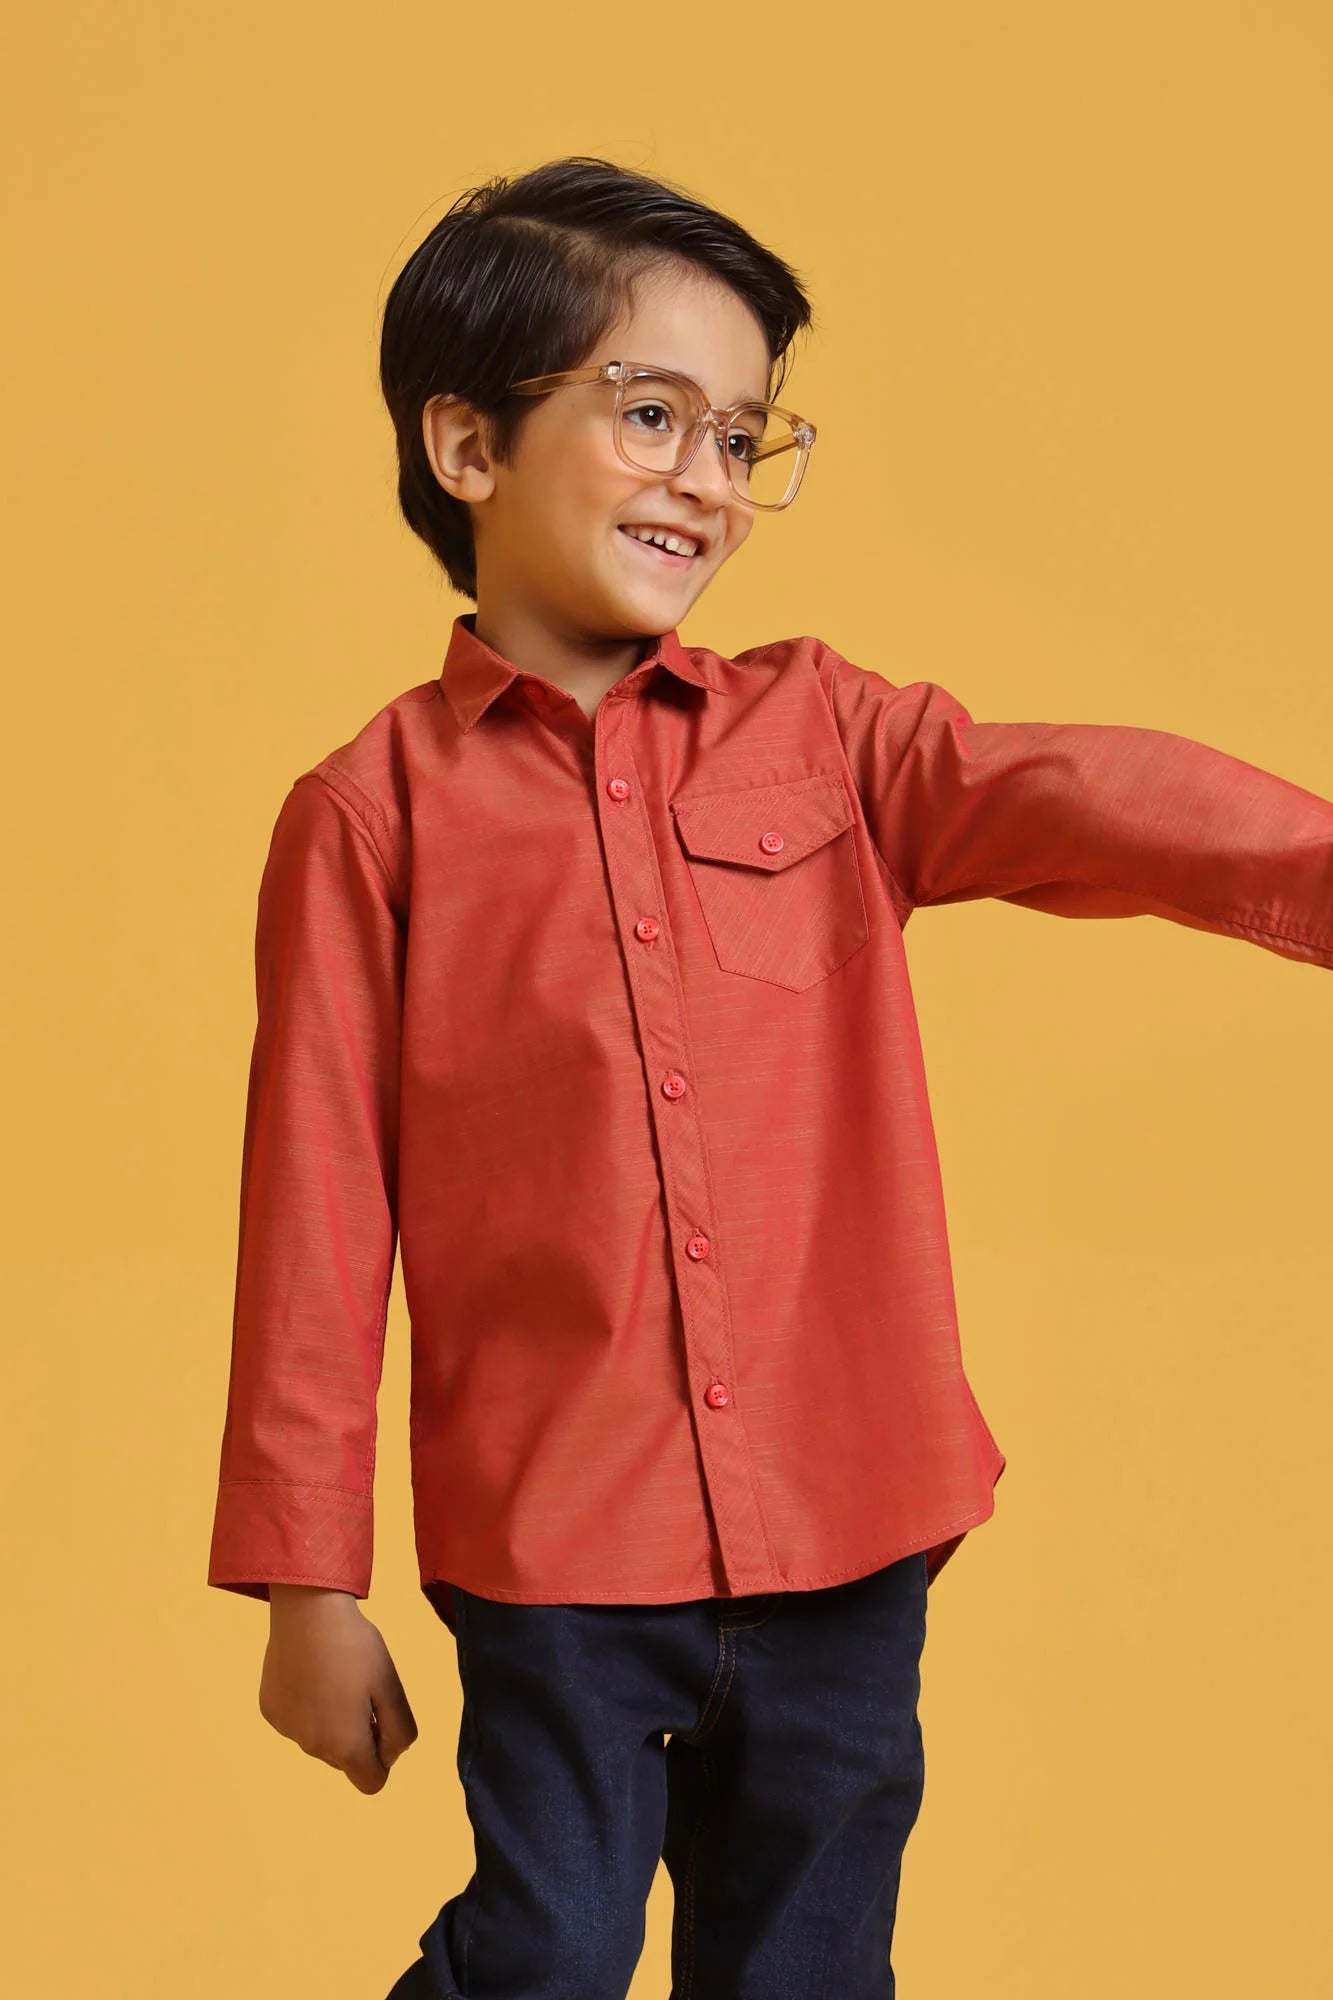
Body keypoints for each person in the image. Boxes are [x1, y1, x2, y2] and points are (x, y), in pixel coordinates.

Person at [206, 156, 1332, 2000]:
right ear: (467, 447)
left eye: (740, 437)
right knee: (545, 1953)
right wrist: (304, 1586)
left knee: (806, 1961)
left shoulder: (828, 735)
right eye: (650, 416)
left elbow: (1082, 793)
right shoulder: (367, 819)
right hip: (561, 1547)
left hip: (845, 1522)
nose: (706, 481)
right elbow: (314, 1211)